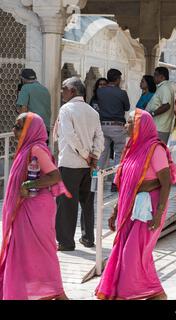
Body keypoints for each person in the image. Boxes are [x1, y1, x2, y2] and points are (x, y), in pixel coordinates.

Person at [95, 109, 176, 300]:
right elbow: (126, 183)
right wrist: (115, 210)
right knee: (137, 253)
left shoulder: (154, 149)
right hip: (130, 209)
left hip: (148, 210)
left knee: (133, 253)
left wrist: (159, 214)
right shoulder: (132, 148)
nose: (126, 125)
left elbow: (166, 181)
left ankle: (134, 292)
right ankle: (155, 292)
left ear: (142, 126)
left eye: (130, 122)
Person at [0, 113, 71, 300]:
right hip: (26, 206)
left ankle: (56, 291)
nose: (14, 130)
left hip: (36, 208)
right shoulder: (27, 149)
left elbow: (55, 176)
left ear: (30, 130)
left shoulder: (36, 149)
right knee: (25, 251)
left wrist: (28, 185)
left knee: (42, 250)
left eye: (19, 126)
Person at [55, 77, 104, 251]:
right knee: (87, 201)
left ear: (73, 91)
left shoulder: (66, 109)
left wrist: (85, 155)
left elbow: (69, 135)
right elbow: (100, 138)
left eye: (64, 88)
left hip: (70, 163)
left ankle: (66, 242)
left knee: (67, 204)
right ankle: (88, 238)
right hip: (88, 166)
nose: (62, 92)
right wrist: (94, 156)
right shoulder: (92, 111)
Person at [97, 69, 130, 191]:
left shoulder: (100, 91)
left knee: (102, 155)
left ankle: (97, 183)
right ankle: (115, 183)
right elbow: (127, 107)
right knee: (119, 154)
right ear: (117, 79)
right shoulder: (122, 93)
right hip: (117, 125)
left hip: (103, 125)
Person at [16, 68, 51, 138]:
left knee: (30, 148)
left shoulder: (25, 87)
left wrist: (20, 126)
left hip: (32, 128)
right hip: (45, 128)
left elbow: (23, 109)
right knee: (41, 148)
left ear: (22, 79)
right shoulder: (45, 89)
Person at [146, 67, 175, 143]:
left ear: (162, 76)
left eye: (155, 75)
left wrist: (152, 113)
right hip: (157, 127)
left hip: (160, 128)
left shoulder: (165, 88)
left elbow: (166, 105)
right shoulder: (162, 87)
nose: (153, 77)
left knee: (157, 151)